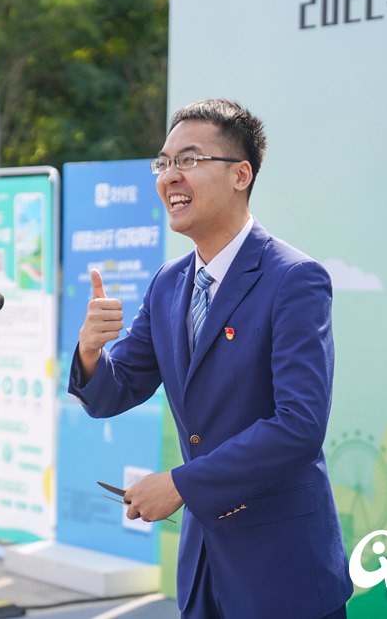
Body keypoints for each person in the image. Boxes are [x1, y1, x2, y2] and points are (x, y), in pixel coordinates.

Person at [69, 98, 352, 618]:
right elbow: (114, 391)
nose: (169, 176)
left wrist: (180, 484)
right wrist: (91, 349)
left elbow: (299, 425)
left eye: (189, 160)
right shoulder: (169, 283)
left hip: (282, 569)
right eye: (163, 162)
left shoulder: (294, 279)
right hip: (203, 565)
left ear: (241, 175)